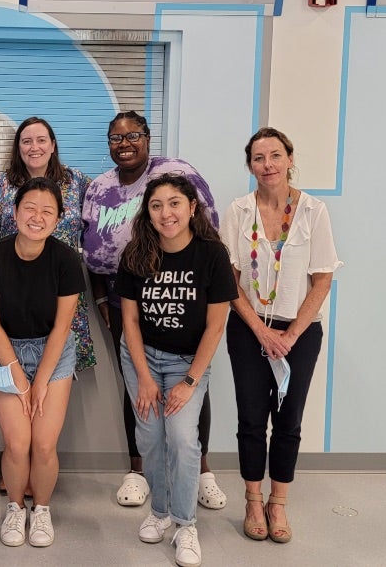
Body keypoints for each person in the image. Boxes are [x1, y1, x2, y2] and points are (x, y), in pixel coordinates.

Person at [82, 110, 227, 511]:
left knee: (191, 388)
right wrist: (99, 299)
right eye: (116, 138)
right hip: (122, 301)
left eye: (133, 135)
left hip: (185, 299)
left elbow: (208, 230)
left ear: (148, 137)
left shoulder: (175, 172)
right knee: (138, 389)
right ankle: (138, 470)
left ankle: (201, 472)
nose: (124, 143)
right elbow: (88, 249)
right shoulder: (98, 188)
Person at [220, 127, 341, 544]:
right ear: (250, 165)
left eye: (275, 155)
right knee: (251, 419)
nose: (267, 164)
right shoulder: (238, 210)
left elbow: (323, 279)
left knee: (288, 421)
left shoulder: (312, 211)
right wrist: (259, 329)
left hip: (300, 333)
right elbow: (230, 281)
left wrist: (289, 336)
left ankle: (279, 502)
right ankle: (253, 499)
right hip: (248, 329)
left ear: (290, 158)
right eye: (258, 158)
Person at [117, 175, 237, 567]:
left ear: (191, 208)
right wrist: (145, 378)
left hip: (188, 362)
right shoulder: (136, 254)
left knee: (184, 439)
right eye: (156, 205)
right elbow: (129, 323)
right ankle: (161, 511)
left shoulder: (212, 255)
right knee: (150, 437)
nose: (165, 213)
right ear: (147, 212)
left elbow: (215, 326)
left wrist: (189, 381)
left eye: (174, 204)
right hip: (143, 357)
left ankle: (186, 526)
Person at [0, 177, 85, 548]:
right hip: (7, 351)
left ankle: (43, 511)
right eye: (30, 208)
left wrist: (40, 382)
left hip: (55, 351)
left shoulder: (66, 259)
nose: (37, 217)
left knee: (44, 444)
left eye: (47, 212)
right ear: (15, 211)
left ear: (58, 219)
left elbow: (62, 327)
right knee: (18, 443)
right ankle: (15, 507)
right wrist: (19, 375)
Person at [0, 117, 94, 371]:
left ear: (53, 145)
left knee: (58, 370)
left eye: (41, 140)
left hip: (61, 290)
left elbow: (99, 224)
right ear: (18, 147)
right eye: (27, 141)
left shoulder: (77, 183)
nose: (35, 147)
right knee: (13, 374)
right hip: (14, 294)